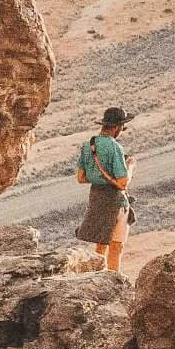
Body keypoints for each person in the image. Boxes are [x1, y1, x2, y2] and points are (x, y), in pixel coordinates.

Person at [74, 104, 134, 273]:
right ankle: (114, 281)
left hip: (96, 198)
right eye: (122, 126)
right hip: (115, 200)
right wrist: (130, 166)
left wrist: (99, 177)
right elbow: (123, 182)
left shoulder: (89, 145)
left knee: (101, 245)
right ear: (116, 127)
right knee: (116, 246)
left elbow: (81, 177)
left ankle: (98, 277)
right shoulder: (115, 147)